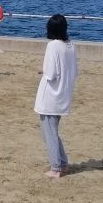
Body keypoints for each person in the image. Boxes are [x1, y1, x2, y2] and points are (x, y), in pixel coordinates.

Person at [34, 14, 79, 179]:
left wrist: (44, 71)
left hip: (51, 95)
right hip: (63, 94)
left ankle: (56, 167)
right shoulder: (71, 46)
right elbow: (72, 72)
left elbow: (51, 73)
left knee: (49, 133)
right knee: (52, 131)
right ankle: (63, 162)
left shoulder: (53, 45)